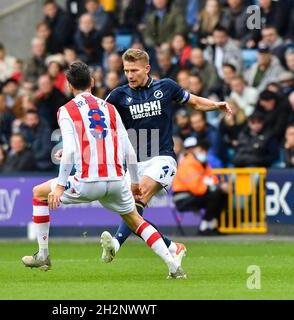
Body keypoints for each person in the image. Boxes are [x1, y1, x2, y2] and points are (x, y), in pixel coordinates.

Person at [22, 61, 187, 279]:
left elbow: (70, 150)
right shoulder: (108, 108)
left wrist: (60, 187)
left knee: (38, 193)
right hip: (117, 180)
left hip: (88, 183)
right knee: (136, 220)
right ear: (92, 82)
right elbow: (128, 148)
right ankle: (174, 266)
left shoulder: (66, 110)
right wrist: (135, 181)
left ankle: (43, 255)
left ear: (69, 86)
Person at [98, 48, 231, 263]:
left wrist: (215, 105)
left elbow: (194, 102)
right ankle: (172, 246)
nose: (130, 75)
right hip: (135, 162)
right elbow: (96, 121)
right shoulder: (118, 95)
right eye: (126, 70)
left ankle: (115, 244)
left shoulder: (166, 87)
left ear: (147, 68)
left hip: (163, 158)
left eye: (134, 70)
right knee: (132, 214)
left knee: (138, 196)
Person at [172, 137, 228, 235]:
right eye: (201, 149)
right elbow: (197, 188)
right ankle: (204, 228)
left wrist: (219, 186)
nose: (204, 152)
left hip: (195, 194)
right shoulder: (188, 163)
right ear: (194, 150)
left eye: (205, 150)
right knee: (215, 194)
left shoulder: (203, 163)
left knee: (222, 194)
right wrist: (217, 187)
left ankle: (211, 226)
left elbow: (213, 179)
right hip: (183, 198)